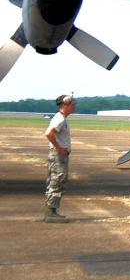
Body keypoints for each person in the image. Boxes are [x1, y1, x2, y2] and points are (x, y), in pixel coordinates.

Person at [43, 94, 76, 223]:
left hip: (58, 156)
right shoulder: (60, 119)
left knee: (54, 181)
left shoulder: (61, 118)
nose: (74, 107)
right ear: (65, 105)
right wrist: (59, 148)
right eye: (72, 104)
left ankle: (51, 211)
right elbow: (49, 133)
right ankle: (51, 213)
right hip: (58, 156)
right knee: (57, 182)